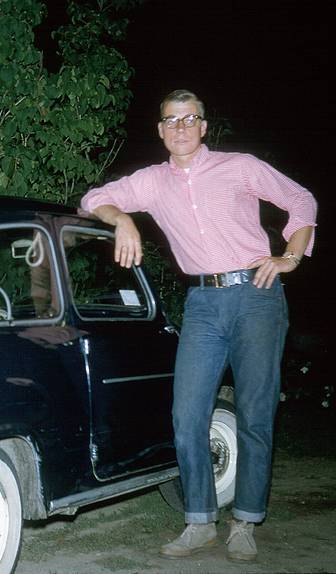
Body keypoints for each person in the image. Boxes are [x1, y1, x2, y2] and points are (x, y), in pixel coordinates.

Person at [79, 89, 317, 562]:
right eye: (171, 120)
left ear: (204, 126)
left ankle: (246, 520)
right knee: (187, 415)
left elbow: (301, 200)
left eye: (190, 118)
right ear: (160, 130)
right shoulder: (151, 182)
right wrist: (122, 219)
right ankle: (199, 521)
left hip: (257, 294)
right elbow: (93, 199)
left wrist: (290, 256)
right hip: (203, 302)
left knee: (254, 414)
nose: (181, 127)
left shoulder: (240, 166)